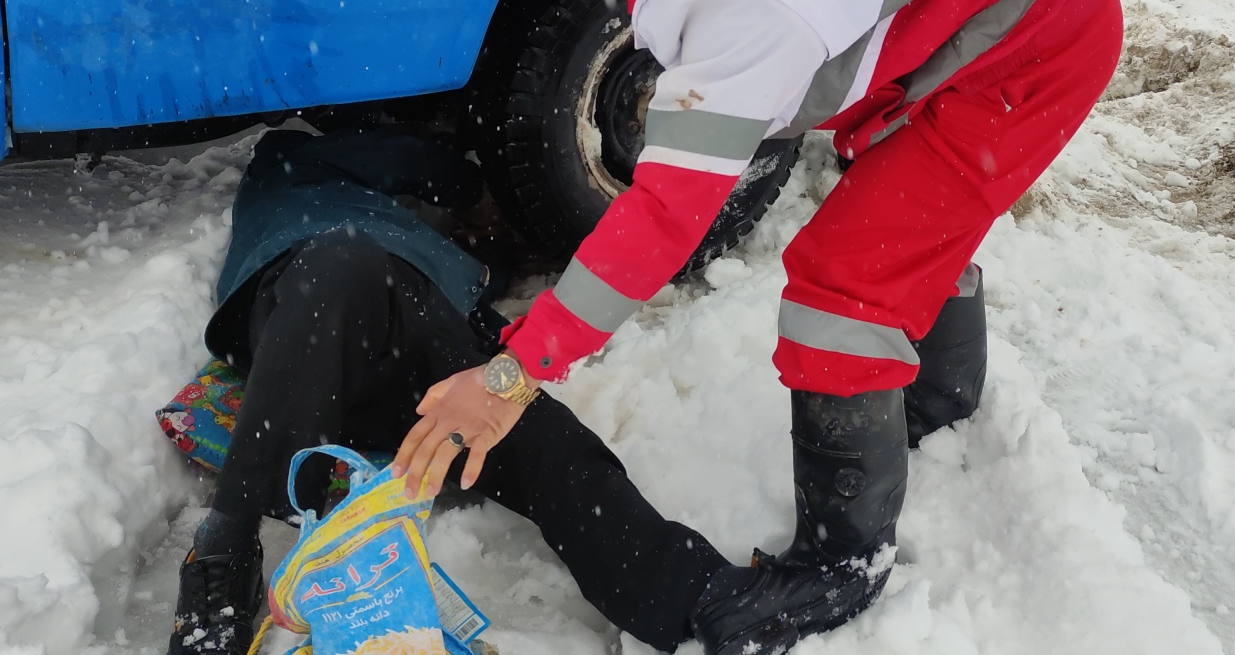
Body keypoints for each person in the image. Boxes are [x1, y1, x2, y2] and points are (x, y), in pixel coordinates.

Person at [396, 0, 1124, 654]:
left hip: (1033, 30)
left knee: (843, 288)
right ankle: (938, 397)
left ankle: (842, 565)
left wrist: (513, 378)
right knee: (899, 221)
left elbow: (663, 216)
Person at [166, 126, 789, 655]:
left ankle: (696, 596)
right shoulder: (292, 160)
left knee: (538, 437)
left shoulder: (416, 259)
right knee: (344, 260)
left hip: (399, 343)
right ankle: (225, 548)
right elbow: (421, 167)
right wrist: (463, 180)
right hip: (311, 304)